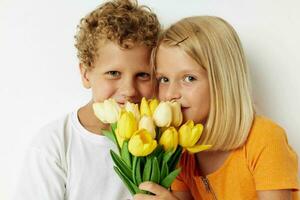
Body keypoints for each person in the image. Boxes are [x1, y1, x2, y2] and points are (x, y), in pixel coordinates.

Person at [134, 16, 299, 200]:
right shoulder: (179, 151)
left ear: (223, 82)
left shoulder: (265, 139)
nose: (171, 93)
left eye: (189, 78)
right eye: (164, 79)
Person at [13, 0, 160, 199]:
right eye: (113, 73)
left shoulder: (163, 140)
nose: (129, 90)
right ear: (85, 74)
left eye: (143, 75)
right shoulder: (54, 145)